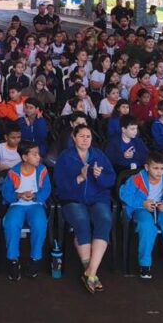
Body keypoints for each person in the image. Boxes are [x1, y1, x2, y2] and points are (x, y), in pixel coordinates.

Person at [54, 125, 115, 293]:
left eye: (88, 136)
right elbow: (59, 185)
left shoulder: (99, 155)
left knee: (105, 220)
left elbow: (111, 179)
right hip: (72, 199)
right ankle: (91, 273)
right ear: (74, 138)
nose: (85, 139)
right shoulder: (65, 157)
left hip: (97, 198)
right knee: (82, 222)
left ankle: (91, 272)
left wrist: (99, 177)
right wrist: (79, 178)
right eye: (81, 136)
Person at [119, 151, 163, 281]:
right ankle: (145, 264)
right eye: (155, 168)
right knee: (146, 226)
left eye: (162, 168)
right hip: (141, 209)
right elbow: (124, 193)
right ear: (147, 167)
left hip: (162, 209)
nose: (159, 172)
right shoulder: (136, 179)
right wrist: (142, 203)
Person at [0, 141, 51, 281]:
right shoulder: (13, 172)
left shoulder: (42, 170)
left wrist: (35, 196)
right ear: (24, 157)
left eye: (38, 154)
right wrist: (18, 195)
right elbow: (6, 193)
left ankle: (35, 258)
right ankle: (13, 260)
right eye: (35, 154)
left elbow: (47, 190)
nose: (38, 157)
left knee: (40, 224)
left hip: (36, 204)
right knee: (11, 224)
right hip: (17, 204)